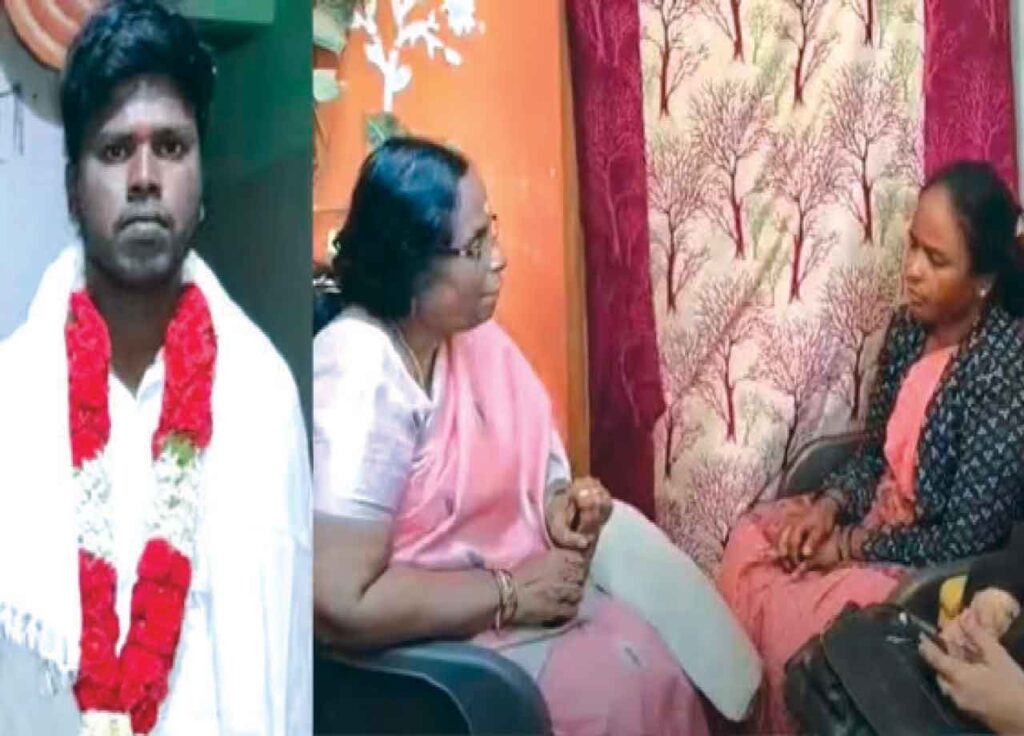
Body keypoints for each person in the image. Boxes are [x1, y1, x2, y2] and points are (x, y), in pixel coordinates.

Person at [313, 136, 712, 735]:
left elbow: (532, 477)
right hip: (420, 660)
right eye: (475, 246)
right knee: (610, 699)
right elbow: (340, 603)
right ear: (410, 264)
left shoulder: (478, 342)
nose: (498, 259)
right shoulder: (360, 368)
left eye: (490, 231)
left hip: (510, 616)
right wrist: (510, 594)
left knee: (654, 666)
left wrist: (559, 511)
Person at [0, 2, 311, 733]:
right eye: (115, 151)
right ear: (73, 189)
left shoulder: (262, 396)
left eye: (170, 147)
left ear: (201, 182)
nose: (144, 177)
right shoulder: (13, 396)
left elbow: (289, 664)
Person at [717, 159, 1024, 733]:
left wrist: (850, 546)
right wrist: (828, 508)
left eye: (936, 260)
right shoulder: (908, 330)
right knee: (753, 545)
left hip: (925, 564)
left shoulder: (1003, 369)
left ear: (983, 280)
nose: (912, 270)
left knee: (807, 626)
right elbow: (873, 453)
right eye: (912, 247)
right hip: (872, 521)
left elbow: (969, 539)